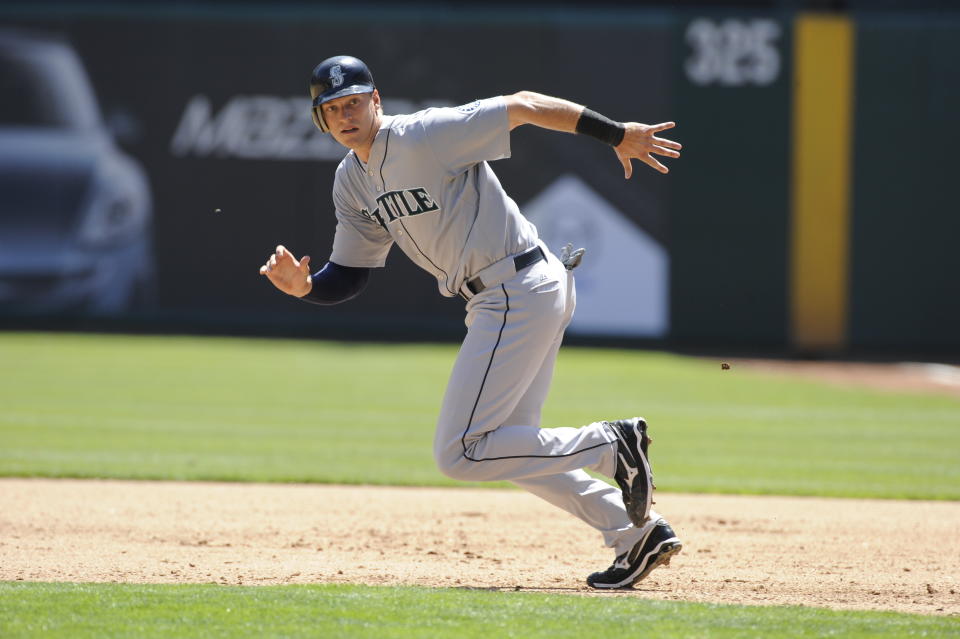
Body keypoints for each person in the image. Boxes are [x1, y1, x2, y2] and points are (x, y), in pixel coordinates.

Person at [260, 55, 683, 589]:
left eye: (354, 102)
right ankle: (633, 534)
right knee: (512, 446)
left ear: (377, 101)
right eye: (333, 108)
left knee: (460, 452)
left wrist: (616, 134)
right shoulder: (351, 181)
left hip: (514, 288)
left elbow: (525, 105)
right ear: (321, 119)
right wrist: (307, 287)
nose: (346, 115)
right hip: (518, 289)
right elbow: (350, 273)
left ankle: (610, 444)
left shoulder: (424, 136)